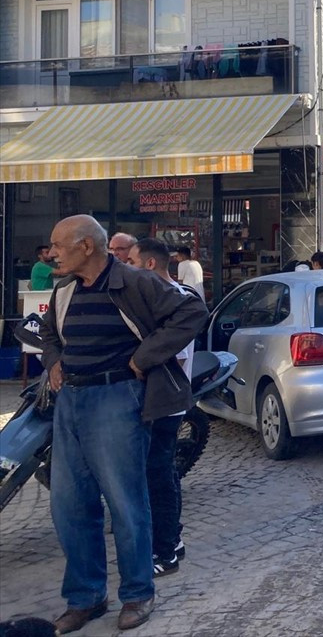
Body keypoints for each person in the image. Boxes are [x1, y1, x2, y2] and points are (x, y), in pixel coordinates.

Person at [40, 215, 206, 634]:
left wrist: (142, 358)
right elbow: (48, 335)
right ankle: (86, 598)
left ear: (86, 247)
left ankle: (137, 594)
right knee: (70, 508)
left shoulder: (133, 282)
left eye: (59, 245)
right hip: (70, 402)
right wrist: (54, 361)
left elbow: (191, 311)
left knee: (127, 503)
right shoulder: (63, 292)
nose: (52, 253)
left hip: (117, 399)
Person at [130, 238, 203, 579]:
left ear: (147, 265)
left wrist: (139, 356)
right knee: (154, 473)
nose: (122, 266)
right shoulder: (140, 300)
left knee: (158, 473)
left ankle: (168, 547)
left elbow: (174, 353)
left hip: (166, 403)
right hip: (138, 402)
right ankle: (167, 539)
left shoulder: (181, 302)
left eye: (128, 259)